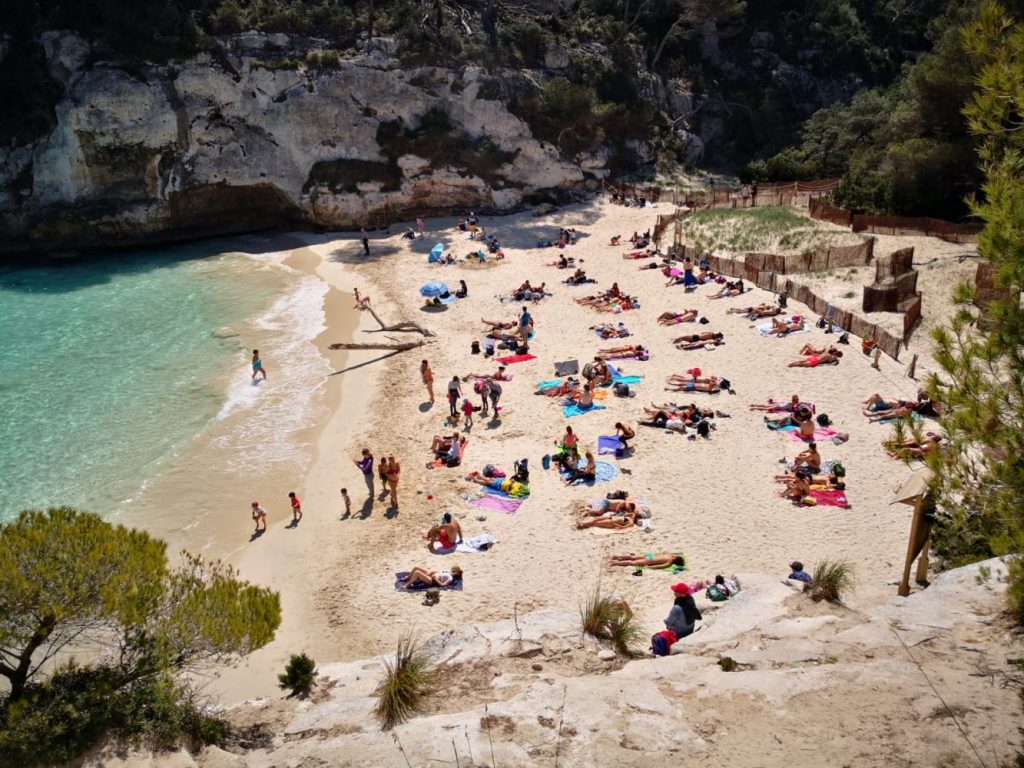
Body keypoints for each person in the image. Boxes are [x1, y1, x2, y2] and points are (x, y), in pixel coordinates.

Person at [610, 552, 686, 569]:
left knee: (632, 557)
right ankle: (616, 563)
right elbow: (659, 566)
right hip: (649, 561)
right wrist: (649, 567)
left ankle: (617, 556)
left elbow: (664, 551)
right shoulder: (669, 563)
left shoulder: (670, 555)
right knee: (632, 563)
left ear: (675, 558)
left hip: (650, 555)